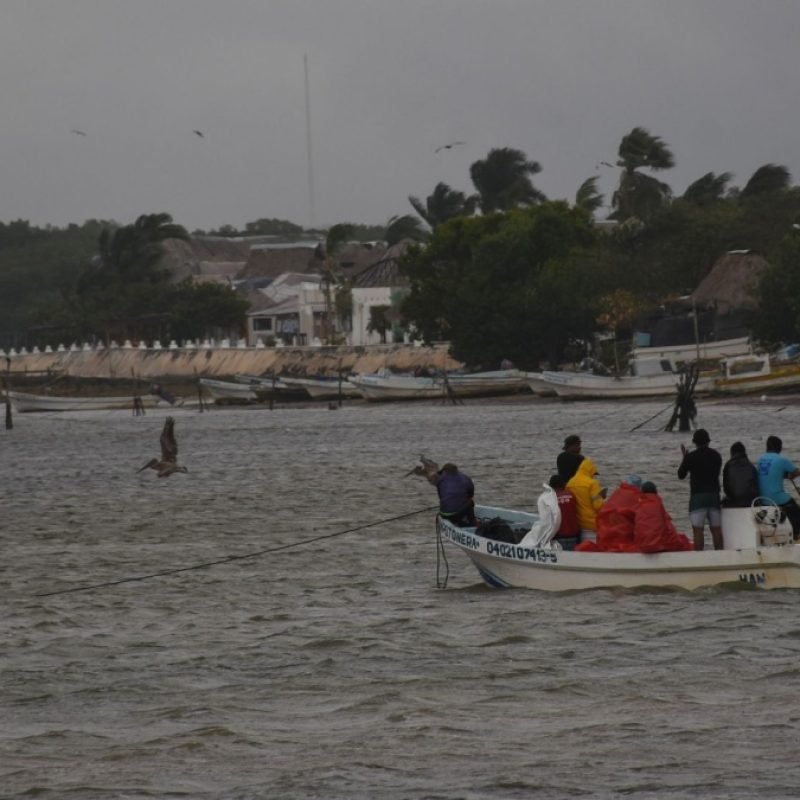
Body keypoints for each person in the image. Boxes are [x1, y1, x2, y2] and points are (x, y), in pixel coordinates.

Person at [677, 428, 723, 551]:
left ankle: (699, 556)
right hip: (714, 496)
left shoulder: (690, 457)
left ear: (695, 442)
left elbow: (681, 475)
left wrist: (684, 459)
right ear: (708, 442)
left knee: (698, 530)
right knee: (716, 529)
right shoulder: (716, 456)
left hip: (697, 497)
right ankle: (720, 555)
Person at [756, 436, 800, 536]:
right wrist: (789, 476)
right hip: (776, 498)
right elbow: (796, 472)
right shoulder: (782, 459)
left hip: (762, 499)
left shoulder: (760, 459)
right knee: (796, 511)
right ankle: (796, 535)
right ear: (779, 447)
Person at [566, 457, 606, 543]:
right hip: (592, 525)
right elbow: (598, 506)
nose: (593, 476)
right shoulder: (592, 483)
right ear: (590, 470)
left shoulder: (570, 483)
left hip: (578, 525)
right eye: (593, 473)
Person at [722, 441, 760, 508]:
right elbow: (756, 485)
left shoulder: (728, 465)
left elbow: (726, 488)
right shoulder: (751, 466)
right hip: (751, 501)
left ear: (732, 453)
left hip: (735, 501)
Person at [548, 474, 580, 550]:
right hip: (574, 537)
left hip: (559, 539)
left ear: (551, 487)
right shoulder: (572, 495)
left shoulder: (551, 499)